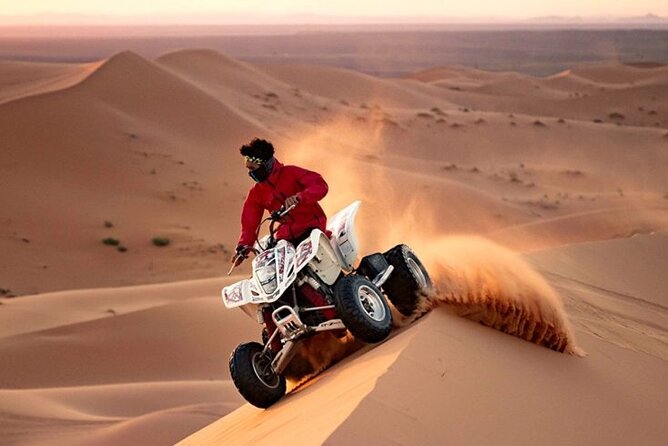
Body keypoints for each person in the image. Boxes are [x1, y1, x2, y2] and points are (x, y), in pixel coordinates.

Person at [231, 138, 329, 267]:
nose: (251, 173)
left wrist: (300, 197)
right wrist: (243, 247)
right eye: (248, 169)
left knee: (316, 266)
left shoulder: (291, 172)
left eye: (253, 169)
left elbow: (320, 186)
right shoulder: (256, 193)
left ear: (265, 164)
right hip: (285, 236)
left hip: (312, 228)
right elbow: (249, 224)